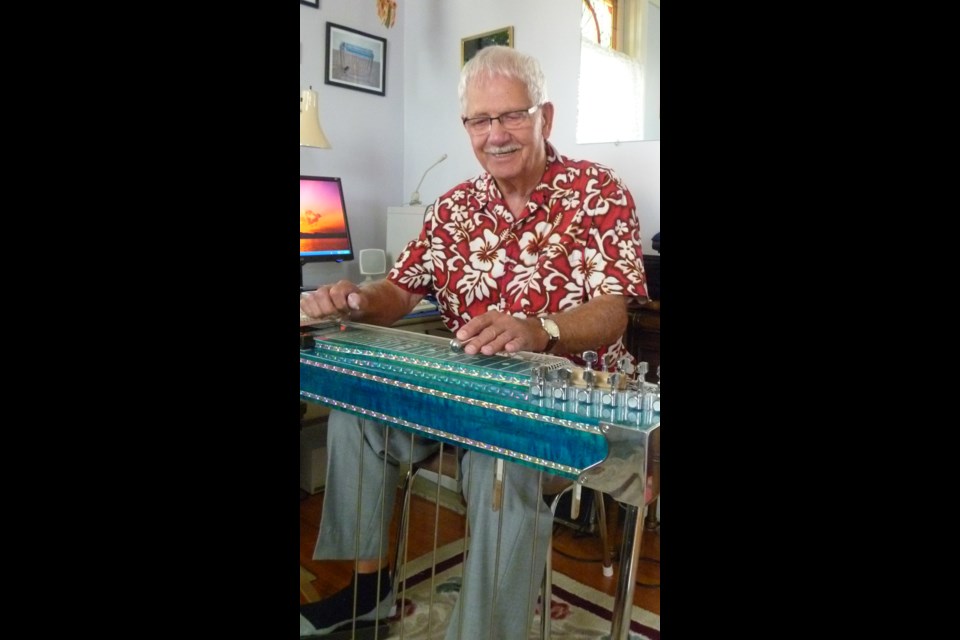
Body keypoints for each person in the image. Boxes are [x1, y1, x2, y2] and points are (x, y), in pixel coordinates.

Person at [299, 45, 648, 639]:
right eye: (480, 121)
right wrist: (358, 298)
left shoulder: (598, 192)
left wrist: (543, 328)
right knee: (358, 413)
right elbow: (400, 290)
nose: (496, 135)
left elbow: (614, 309)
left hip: (565, 404)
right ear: (466, 128)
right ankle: (370, 587)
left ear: (546, 117)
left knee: (497, 464)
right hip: (466, 393)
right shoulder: (453, 207)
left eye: (512, 115)